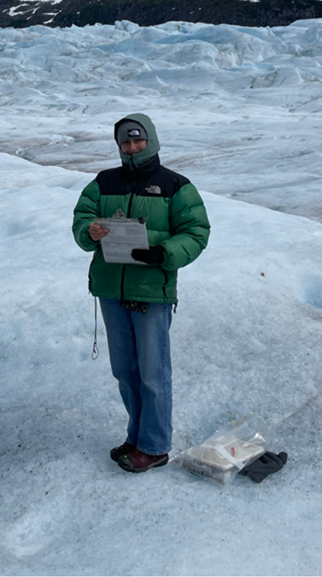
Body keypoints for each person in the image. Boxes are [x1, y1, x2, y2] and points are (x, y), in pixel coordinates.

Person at [72, 113, 211, 472]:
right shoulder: (103, 183)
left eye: (138, 140)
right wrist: (90, 231)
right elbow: (81, 220)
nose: (132, 148)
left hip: (151, 291)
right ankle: (136, 436)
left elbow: (196, 232)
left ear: (151, 140)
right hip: (111, 290)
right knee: (126, 371)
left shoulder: (175, 186)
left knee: (152, 372)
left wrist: (163, 253)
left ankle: (155, 445)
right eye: (125, 142)